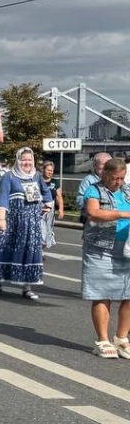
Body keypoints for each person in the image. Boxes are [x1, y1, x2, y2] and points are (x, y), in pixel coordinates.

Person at [80, 158, 130, 359]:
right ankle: (102, 340)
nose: (119, 182)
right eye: (115, 178)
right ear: (105, 175)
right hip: (100, 249)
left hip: (126, 249)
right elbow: (93, 213)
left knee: (129, 293)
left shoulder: (126, 191)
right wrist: (123, 214)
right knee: (101, 293)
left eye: (122, 178)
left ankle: (121, 338)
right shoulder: (94, 190)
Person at [0, 147, 50, 300]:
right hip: (12, 221)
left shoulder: (36, 176)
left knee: (30, 252)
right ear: (18, 160)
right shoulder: (9, 177)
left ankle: (27, 287)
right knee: (1, 249)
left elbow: (46, 193)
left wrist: (47, 205)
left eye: (29, 160)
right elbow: (2, 198)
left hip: (32, 224)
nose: (27, 163)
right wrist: (2, 219)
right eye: (24, 160)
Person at [77, 152, 112, 224]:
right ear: (94, 165)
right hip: (92, 221)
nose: (106, 168)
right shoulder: (88, 180)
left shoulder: (115, 180)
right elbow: (79, 201)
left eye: (108, 165)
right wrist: (94, 205)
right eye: (103, 164)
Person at [41, 159, 62, 249]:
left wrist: (61, 209)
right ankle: (40, 250)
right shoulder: (38, 180)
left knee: (48, 228)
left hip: (51, 208)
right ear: (43, 170)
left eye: (52, 171)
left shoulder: (55, 182)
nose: (50, 172)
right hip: (40, 206)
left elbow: (59, 196)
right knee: (41, 228)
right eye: (48, 170)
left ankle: (44, 244)